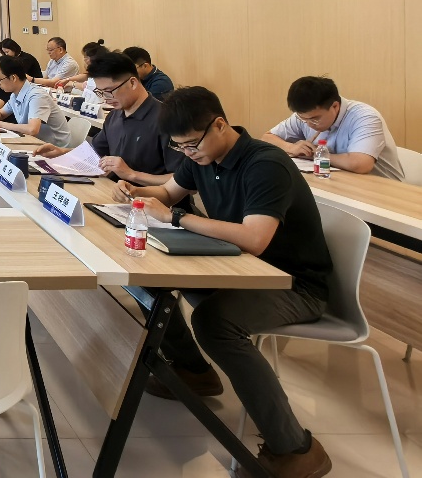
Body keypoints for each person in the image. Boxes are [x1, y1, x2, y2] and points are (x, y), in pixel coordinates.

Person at [116, 86, 333, 478]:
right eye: (179, 146)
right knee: (147, 281)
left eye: (191, 144)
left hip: (293, 284)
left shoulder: (265, 164)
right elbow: (168, 192)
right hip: (236, 267)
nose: (187, 153)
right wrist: (134, 191)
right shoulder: (202, 156)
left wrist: (176, 218)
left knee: (216, 323)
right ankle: (194, 371)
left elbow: (255, 238)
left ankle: (295, 448)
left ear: (219, 125)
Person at [33, 51, 181, 187]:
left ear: (132, 83)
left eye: (109, 91)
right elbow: (94, 153)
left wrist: (132, 174)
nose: (105, 98)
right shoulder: (115, 115)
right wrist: (62, 152)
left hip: (152, 202)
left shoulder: (167, 120)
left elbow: (185, 181)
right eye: (100, 92)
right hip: (114, 192)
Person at [261, 76, 404, 180]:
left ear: (335, 106)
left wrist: (316, 154)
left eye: (315, 119)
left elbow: (360, 164)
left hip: (383, 190)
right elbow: (267, 138)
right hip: (339, 183)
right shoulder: (305, 116)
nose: (309, 124)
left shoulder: (365, 117)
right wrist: (291, 147)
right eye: (303, 119)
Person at [0, 55, 72, 147]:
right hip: (34, 142)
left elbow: (32, 129)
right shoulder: (15, 94)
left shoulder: (37, 96)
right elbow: (1, 114)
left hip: (55, 148)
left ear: (13, 78)